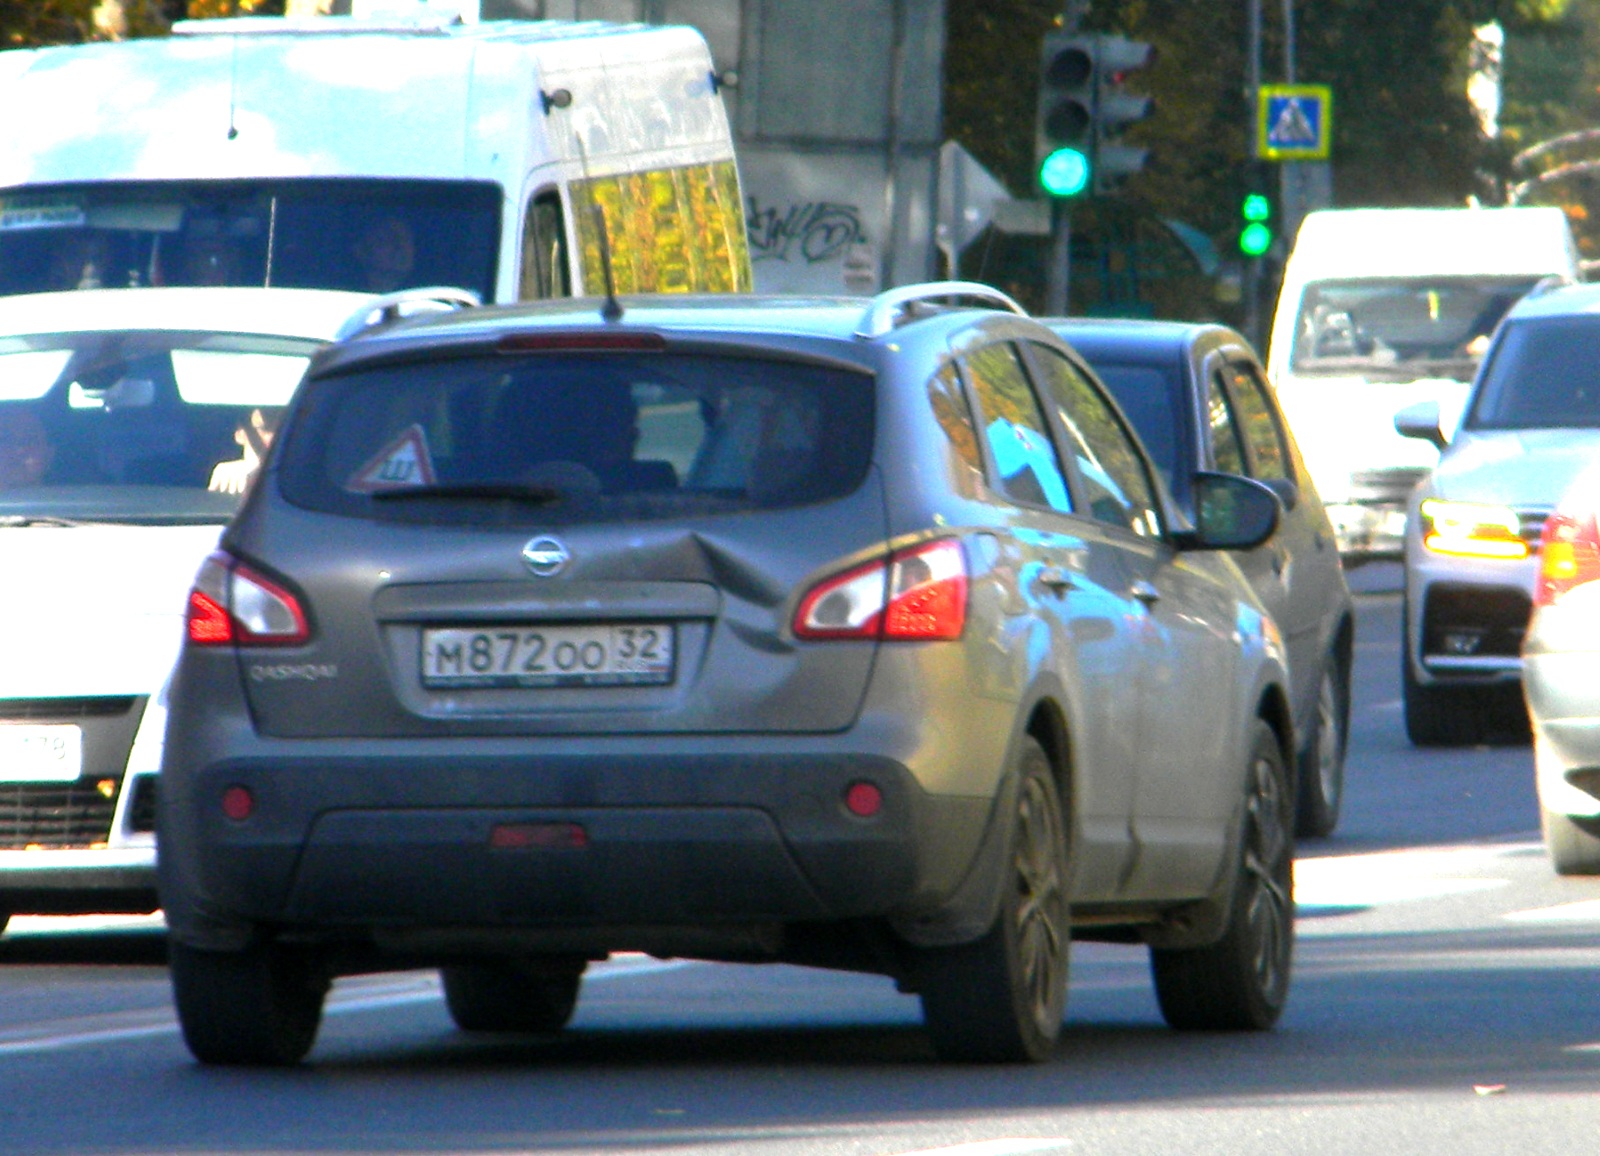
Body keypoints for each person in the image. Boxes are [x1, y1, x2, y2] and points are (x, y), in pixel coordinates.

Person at [208, 407, 279, 495]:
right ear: (239, 434)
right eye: (264, 429)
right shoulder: (226, 474)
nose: (274, 436)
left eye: (281, 429)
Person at [353, 216, 416, 293]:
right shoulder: (345, 297)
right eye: (389, 239)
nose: (401, 246)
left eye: (405, 240)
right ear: (361, 251)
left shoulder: (424, 296)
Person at [0, 404, 54, 490]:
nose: (18, 450)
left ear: (49, 454)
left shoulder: (75, 501)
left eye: (30, 440)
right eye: (5, 439)